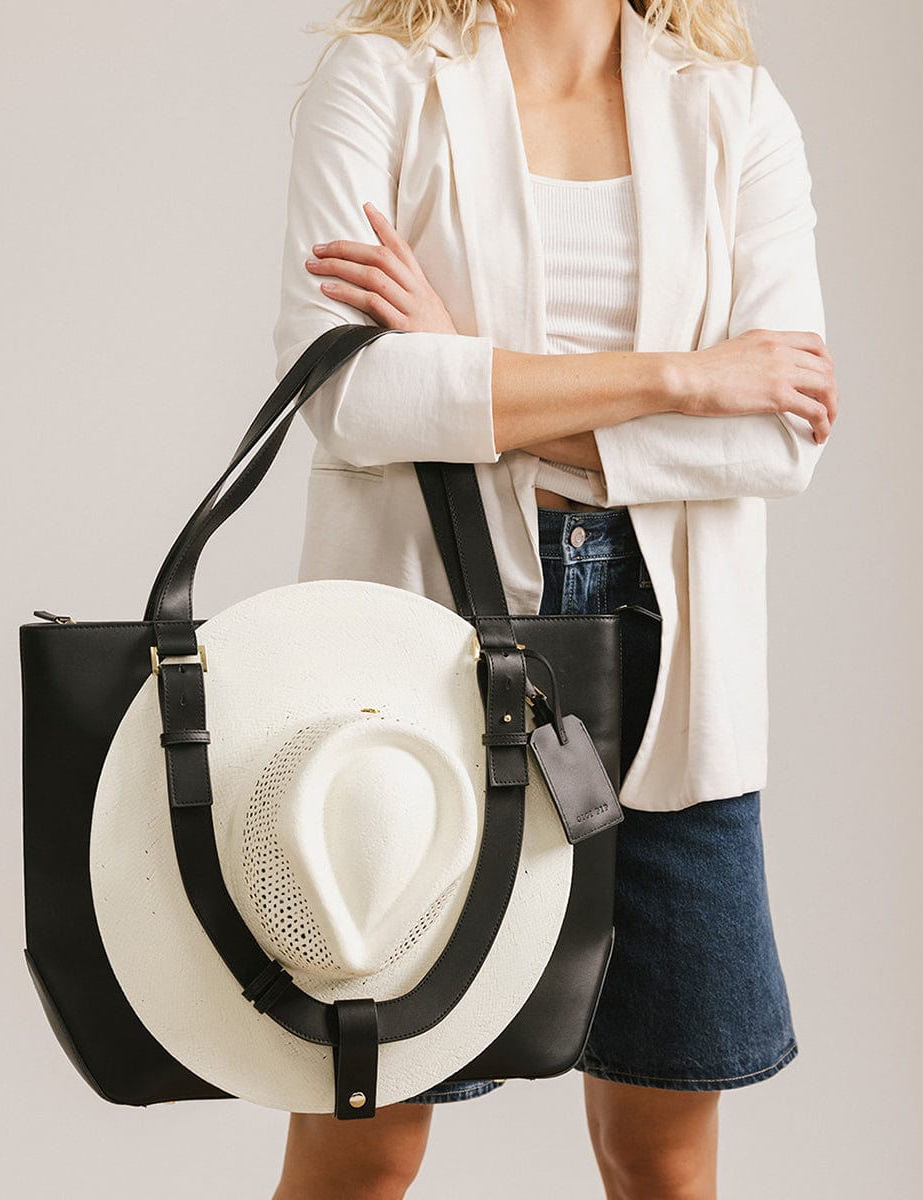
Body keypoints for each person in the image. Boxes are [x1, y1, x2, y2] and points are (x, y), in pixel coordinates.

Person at [270, 0, 838, 1196]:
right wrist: (680, 379)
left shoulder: (731, 107)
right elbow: (349, 398)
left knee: (664, 1157)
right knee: (364, 1147)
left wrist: (465, 370)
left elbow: (782, 433)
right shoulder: (381, 83)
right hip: (422, 646)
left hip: (673, 664)